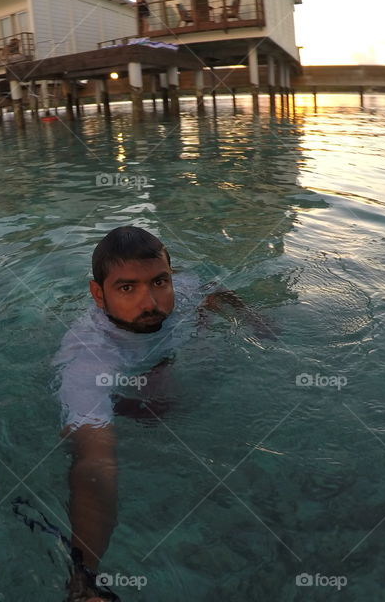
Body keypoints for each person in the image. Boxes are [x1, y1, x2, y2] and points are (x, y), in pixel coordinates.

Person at [54, 226, 277, 601]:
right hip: (123, 375)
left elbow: (212, 288)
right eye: (127, 288)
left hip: (156, 359)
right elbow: (94, 462)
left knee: (162, 405)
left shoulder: (180, 290)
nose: (151, 302)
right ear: (98, 294)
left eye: (160, 282)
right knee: (149, 413)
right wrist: (84, 574)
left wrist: (253, 319)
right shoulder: (87, 360)